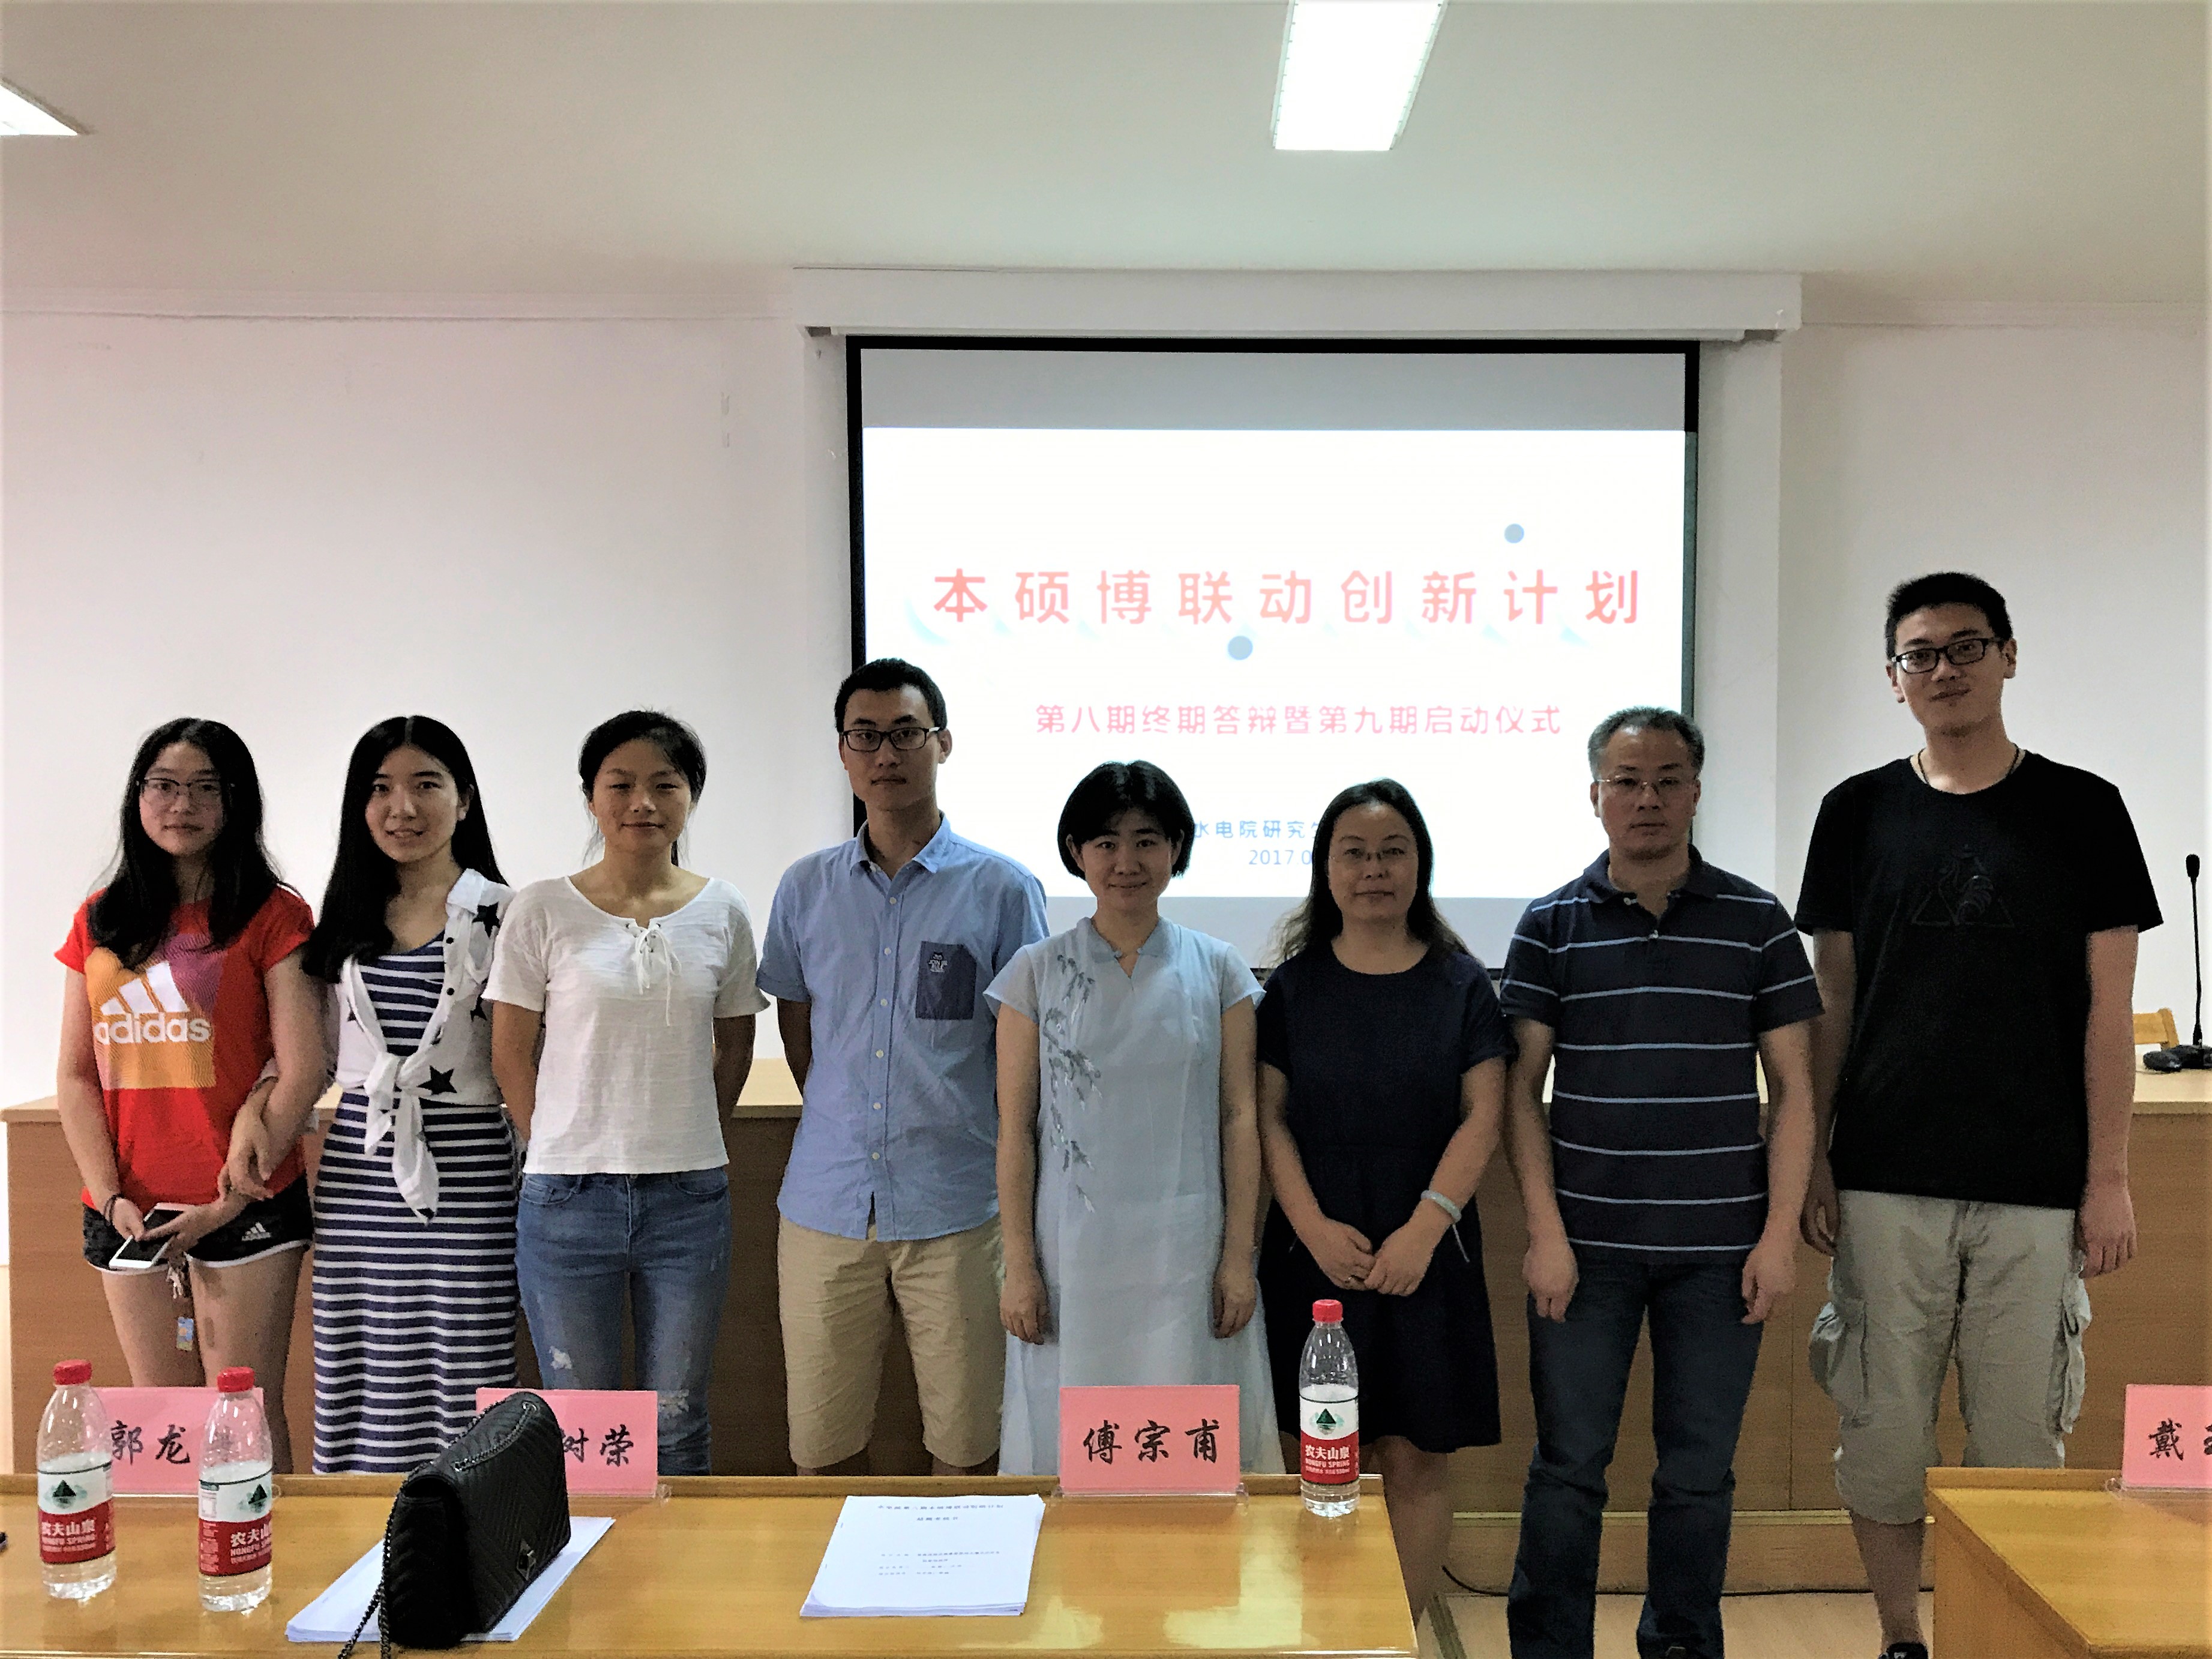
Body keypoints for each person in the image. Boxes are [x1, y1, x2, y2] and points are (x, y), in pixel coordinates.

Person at [1795, 573, 2159, 1659]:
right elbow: (1831, 1002)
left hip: (2035, 1180)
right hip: (1882, 1175)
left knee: (2019, 1443)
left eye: (1965, 646)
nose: (1943, 669)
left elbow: (2107, 1013)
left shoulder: (2084, 809)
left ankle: (1997, 1639)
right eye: (1920, 654)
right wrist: (1811, 1158)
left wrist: (2108, 1176)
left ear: (2007, 656)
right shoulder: (1855, 811)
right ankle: (1901, 1637)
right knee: (1882, 1428)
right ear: (1892, 678)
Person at [1498, 708, 1821, 1659]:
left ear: (1694, 791)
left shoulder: (1756, 921)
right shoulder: (1549, 924)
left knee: (1697, 1474)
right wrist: (1544, 1234)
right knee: (1567, 1468)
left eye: (1667, 779)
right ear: (1593, 794)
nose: (1646, 798)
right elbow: (1518, 1092)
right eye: (1626, 781)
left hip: (1720, 1253)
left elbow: (1794, 1090)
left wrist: (1776, 1237)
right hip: (1584, 1251)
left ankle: (1680, 1645)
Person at [758, 658, 1046, 1477]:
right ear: (843, 752)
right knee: (821, 1449)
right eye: (865, 737)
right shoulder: (805, 888)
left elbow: (1020, 1052)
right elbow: (798, 1026)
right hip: (826, 1204)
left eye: (905, 734)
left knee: (968, 1447)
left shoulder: (1001, 889)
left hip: (957, 1205)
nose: (885, 754)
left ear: (942, 744)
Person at [1256, 778, 1513, 1617]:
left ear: (1419, 865)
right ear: (1325, 870)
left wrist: (1425, 1228)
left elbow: (1483, 1115)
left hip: (1427, 1246)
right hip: (1314, 1247)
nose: (1374, 870)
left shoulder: (1461, 984)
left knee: (1414, 1455)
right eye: (1354, 853)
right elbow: (1266, 1118)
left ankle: (1399, 1629)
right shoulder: (1290, 988)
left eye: (1392, 852)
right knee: (1321, 1455)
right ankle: (1325, 1624)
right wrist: (1310, 1227)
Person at [486, 710, 763, 1475]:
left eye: (664, 785)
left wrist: (696, 1129)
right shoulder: (543, 908)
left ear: (690, 798)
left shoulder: (723, 909)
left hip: (688, 1200)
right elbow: (509, 1051)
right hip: (566, 1201)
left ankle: (678, 1555)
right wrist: (552, 1141)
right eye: (621, 785)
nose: (642, 802)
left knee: (679, 1418)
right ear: (591, 798)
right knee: (583, 1427)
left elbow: (736, 1044)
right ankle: (588, 1552)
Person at [991, 761, 1281, 1475]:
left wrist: (1237, 1258)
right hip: (1072, 1256)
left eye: (1147, 840)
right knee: (1077, 1440)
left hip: (1186, 1251)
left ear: (1176, 848)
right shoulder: (1035, 971)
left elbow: (1239, 1119)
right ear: (1075, 851)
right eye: (1105, 842)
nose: (1126, 861)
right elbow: (1015, 1131)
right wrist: (1020, 1266)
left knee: (1187, 1436)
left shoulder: (1218, 969)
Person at [54, 718, 322, 1471]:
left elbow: (303, 1067)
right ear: (138, 796)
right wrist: (110, 1195)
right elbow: (76, 1074)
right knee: (160, 1421)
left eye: (207, 788)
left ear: (237, 802)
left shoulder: (273, 914)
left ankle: (262, 1547)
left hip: (244, 1200)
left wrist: (230, 1201)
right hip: (128, 1209)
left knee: (244, 1413)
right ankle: (182, 1549)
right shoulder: (99, 919)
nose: (183, 804)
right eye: (165, 786)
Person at [299, 717, 519, 1474]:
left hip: (469, 1169)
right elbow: (317, 1055)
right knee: (358, 1357)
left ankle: (469, 1518)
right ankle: (360, 1522)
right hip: (359, 1172)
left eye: (426, 784)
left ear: (465, 800)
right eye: (380, 789)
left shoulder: (508, 913)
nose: (403, 807)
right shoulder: (343, 916)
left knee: (466, 1355)